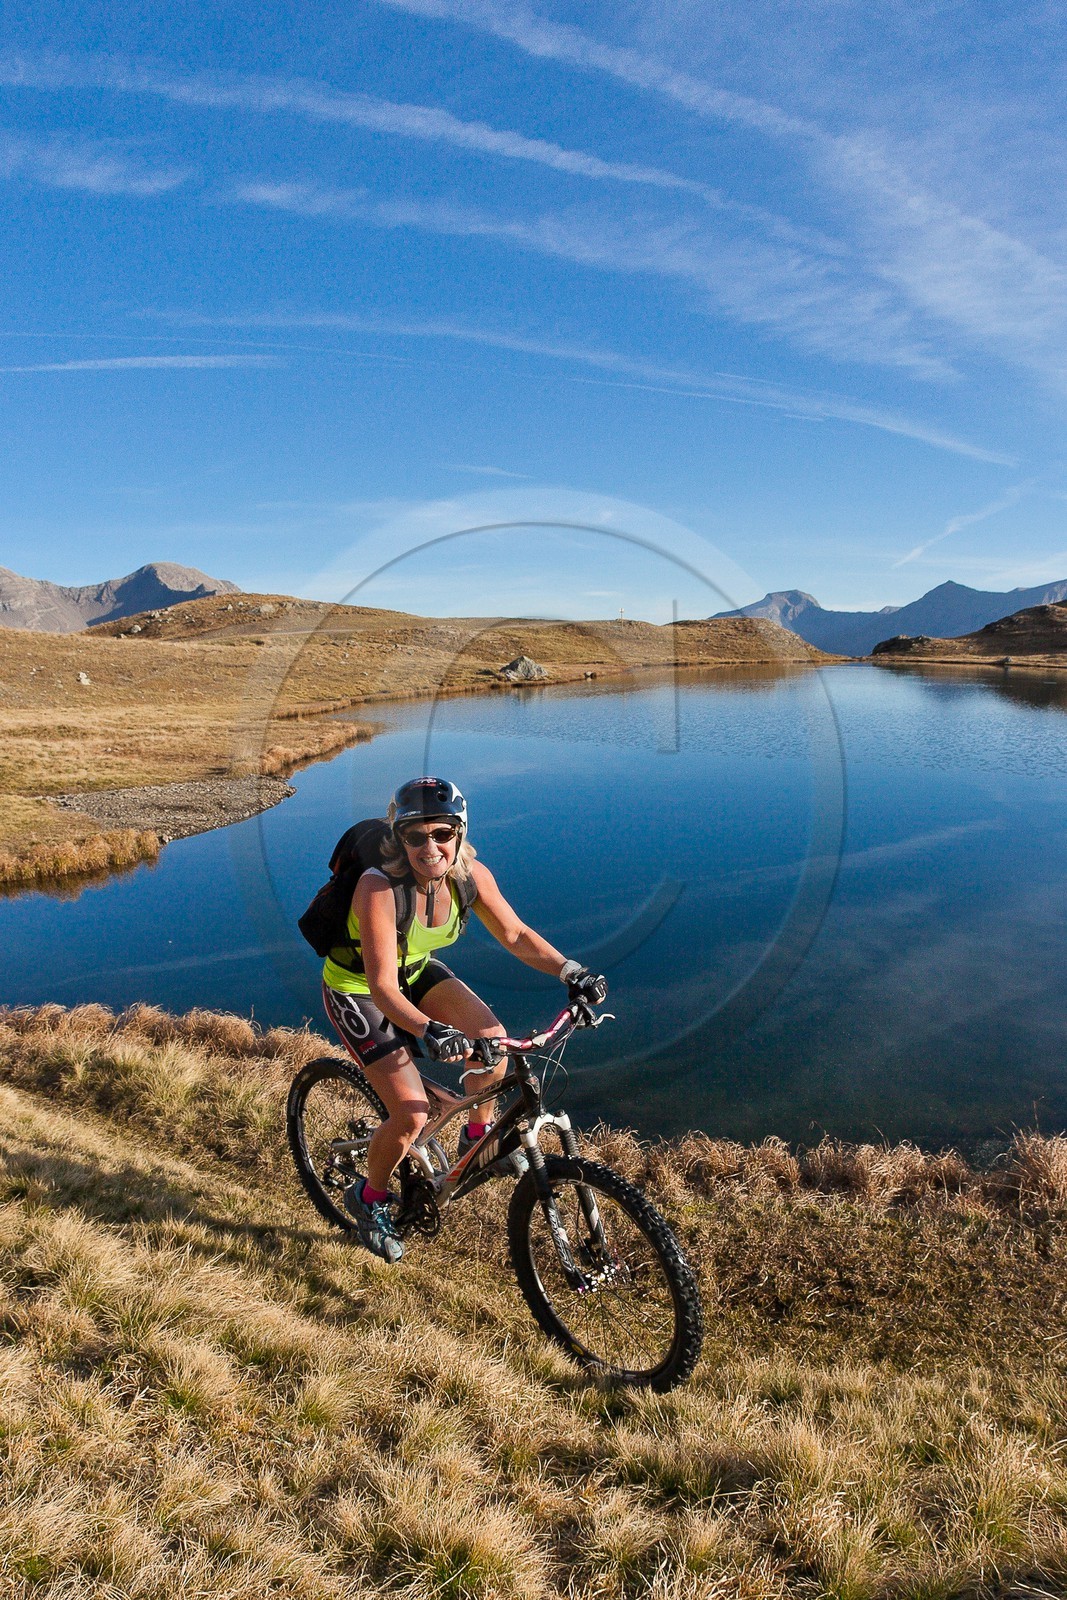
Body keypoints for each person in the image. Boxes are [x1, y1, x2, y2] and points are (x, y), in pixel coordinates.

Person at [321, 776, 607, 1262]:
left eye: (442, 833)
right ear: (398, 838)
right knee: (411, 1113)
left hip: (414, 971)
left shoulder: (470, 876)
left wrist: (571, 971)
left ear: (460, 832)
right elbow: (383, 987)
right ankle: (368, 1198)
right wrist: (427, 1029)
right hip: (359, 988)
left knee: (494, 1044)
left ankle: (478, 1140)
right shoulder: (378, 887)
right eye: (415, 835)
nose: (430, 846)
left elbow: (515, 934)